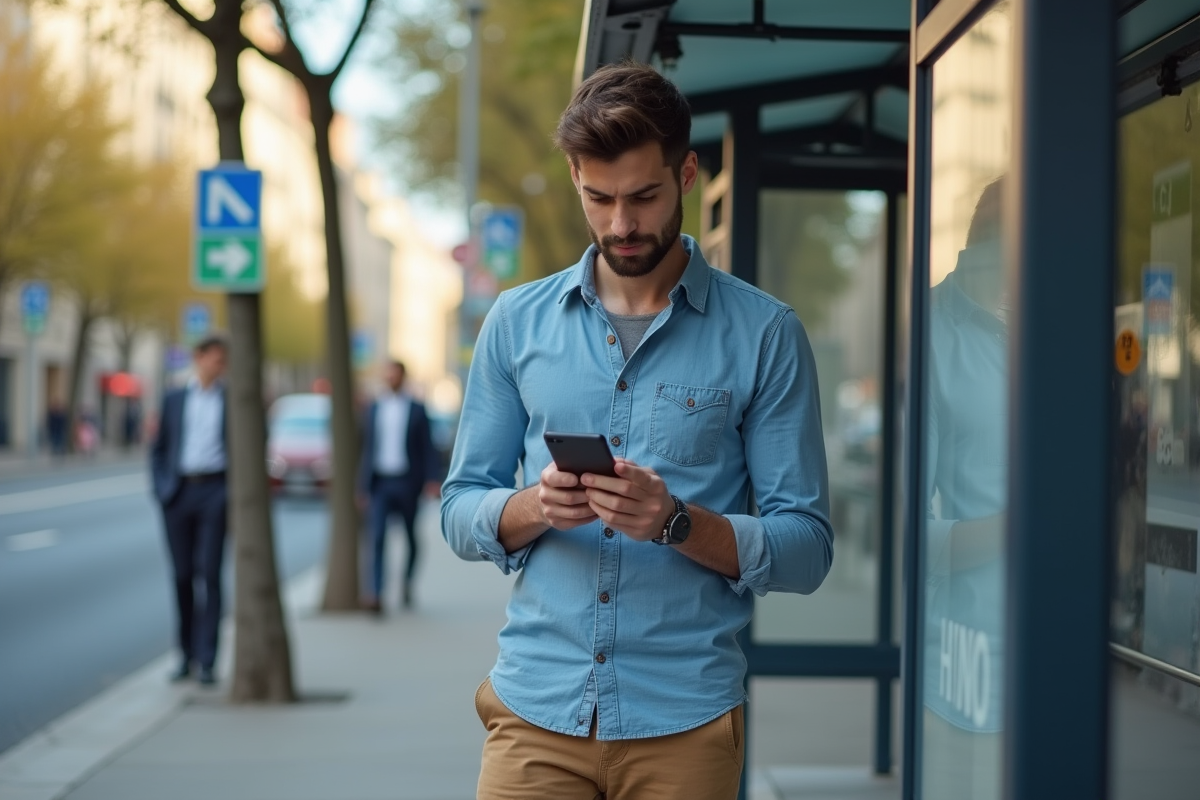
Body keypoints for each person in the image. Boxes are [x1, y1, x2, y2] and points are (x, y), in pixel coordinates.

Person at [440, 62, 833, 800]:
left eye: (644, 197)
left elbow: (807, 549)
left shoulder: (765, 334)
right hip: (533, 715)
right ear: (574, 179)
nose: (621, 224)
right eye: (599, 198)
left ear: (686, 174)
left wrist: (677, 522)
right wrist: (532, 506)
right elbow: (459, 509)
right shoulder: (515, 325)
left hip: (683, 725)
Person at [921, 179, 1007, 800]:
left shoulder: (1062, 323)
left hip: (1067, 659)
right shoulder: (930, 333)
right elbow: (909, 533)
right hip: (968, 666)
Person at [149, 336, 229, 686]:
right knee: (182, 577)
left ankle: (208, 659)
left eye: (223, 361)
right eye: (214, 359)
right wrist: (161, 488)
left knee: (209, 575)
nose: (219, 366)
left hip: (216, 491)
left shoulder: (232, 401)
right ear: (198, 358)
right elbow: (159, 448)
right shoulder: (174, 399)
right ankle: (185, 655)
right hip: (179, 493)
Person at [357, 360, 440, 612]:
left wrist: (432, 480)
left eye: (394, 375)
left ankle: (407, 582)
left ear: (403, 377)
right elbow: (365, 449)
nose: (390, 379)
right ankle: (376, 593)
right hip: (380, 482)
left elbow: (428, 447)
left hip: (408, 482)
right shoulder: (373, 408)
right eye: (387, 375)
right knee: (378, 536)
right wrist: (361, 486)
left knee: (410, 536)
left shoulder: (416, 409)